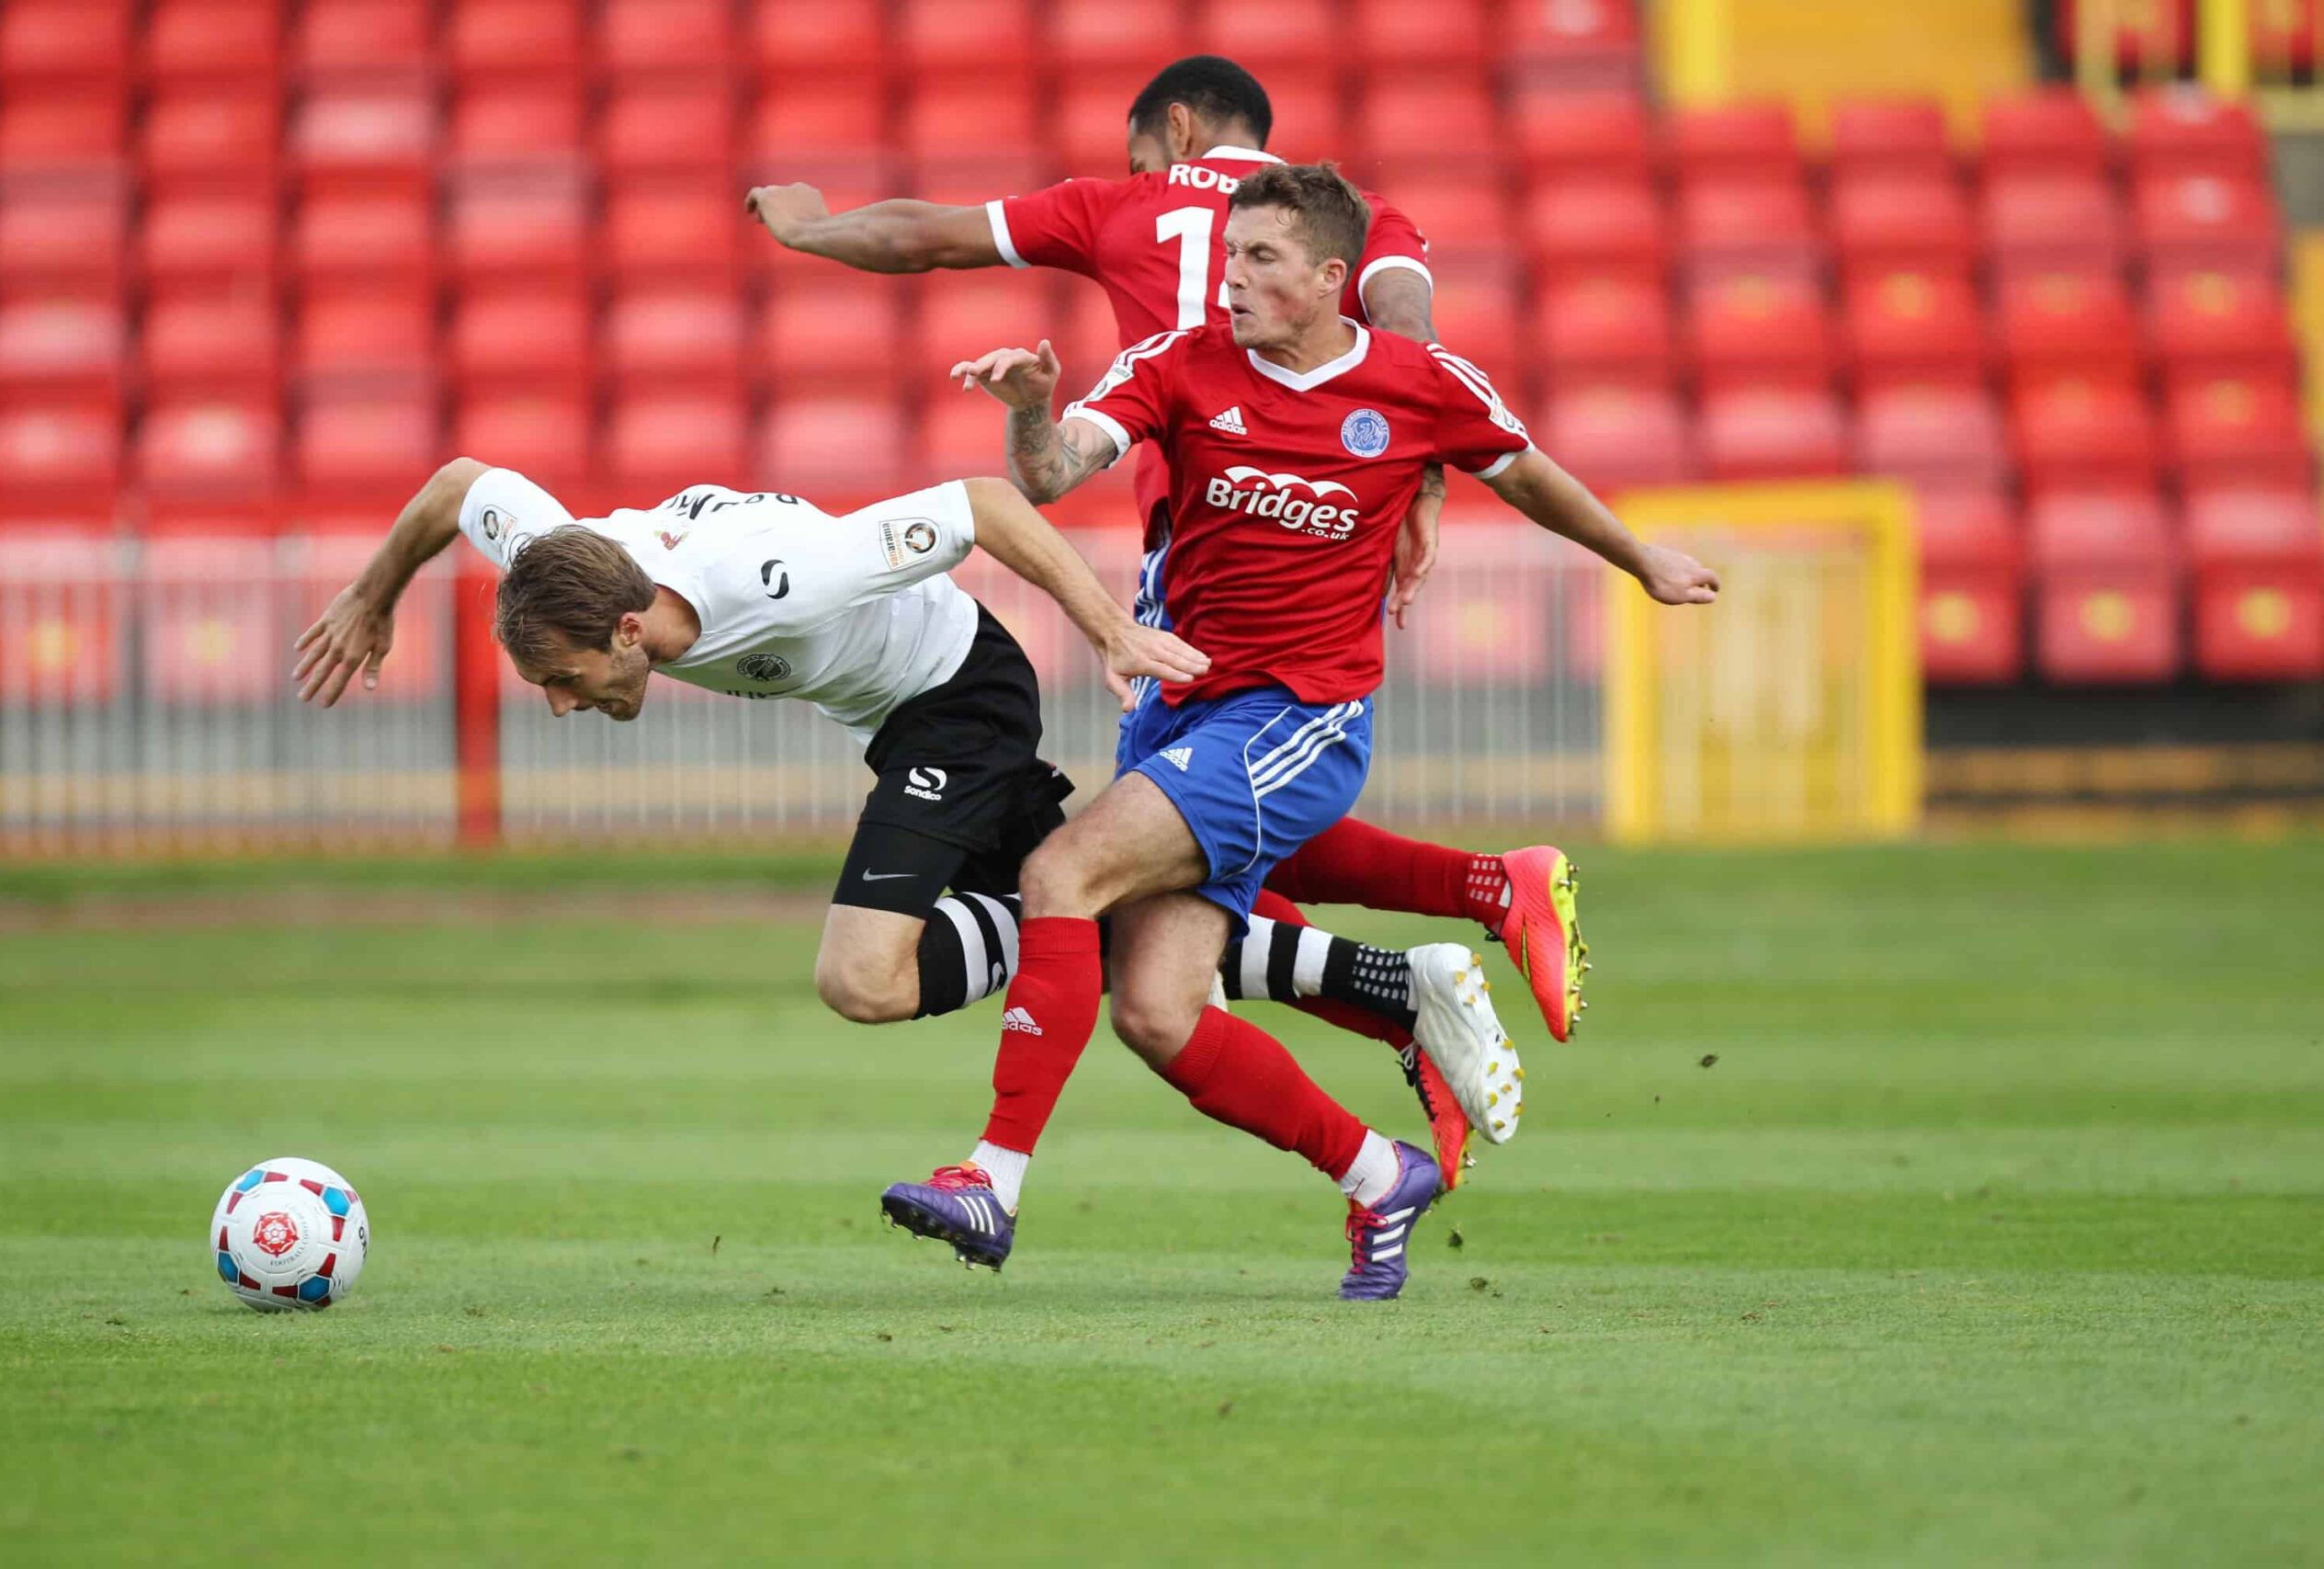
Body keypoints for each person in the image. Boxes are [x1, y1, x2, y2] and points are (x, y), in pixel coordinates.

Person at [882, 164, 1719, 1300]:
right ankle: (1382, 1174)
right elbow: (1051, 469)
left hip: (1301, 718)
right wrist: (1031, 402)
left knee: (1061, 870)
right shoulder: (1178, 365)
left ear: (1331, 279)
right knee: (1157, 1012)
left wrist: (1642, 561)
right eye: (1228, 259)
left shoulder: (1421, 384)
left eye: (1260, 261)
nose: (1230, 282)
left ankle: (993, 1176)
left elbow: (1526, 476)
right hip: (1181, 712)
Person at [289, 460, 1516, 1177]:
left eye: (560, 681)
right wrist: (369, 592)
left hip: (955, 691)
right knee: (1111, 915)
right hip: (895, 719)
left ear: (626, 633)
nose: (557, 708)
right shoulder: (557, 556)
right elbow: (461, 486)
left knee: (874, 970)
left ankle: (1406, 960)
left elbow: (982, 500)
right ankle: (1398, 983)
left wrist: (1106, 629)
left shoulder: (778, 575)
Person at [747, 55, 1593, 1048]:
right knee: (1210, 819)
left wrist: (808, 228)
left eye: (1140, 145)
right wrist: (1428, 479)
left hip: (1205, 544)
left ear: (1177, 130)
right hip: (1312, 529)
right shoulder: (1361, 217)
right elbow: (1414, 348)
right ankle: (1467, 917)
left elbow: (922, 236)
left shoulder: (1120, 201)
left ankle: (1407, 997)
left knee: (1146, 850)